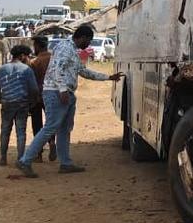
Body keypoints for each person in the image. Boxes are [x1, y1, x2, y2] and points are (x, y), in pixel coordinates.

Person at [15, 25, 123, 177]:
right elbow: (58, 68)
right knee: (51, 127)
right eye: (89, 41)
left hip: (64, 92)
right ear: (83, 37)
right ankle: (25, 160)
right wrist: (62, 89)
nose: (89, 44)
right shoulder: (66, 48)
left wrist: (108, 77)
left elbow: (83, 71)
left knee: (64, 129)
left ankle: (65, 163)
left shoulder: (71, 51)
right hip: (57, 92)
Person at [0, 45, 40, 166]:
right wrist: (32, 102)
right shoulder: (26, 69)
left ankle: (3, 158)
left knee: (5, 131)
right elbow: (34, 89)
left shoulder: (1, 69)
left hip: (7, 104)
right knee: (21, 132)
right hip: (22, 104)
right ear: (22, 56)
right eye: (27, 56)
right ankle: (20, 159)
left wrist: (0, 100)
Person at [27, 36, 56, 162]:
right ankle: (52, 142)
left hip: (38, 97)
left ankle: (38, 154)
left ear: (38, 46)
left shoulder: (35, 62)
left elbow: (31, 83)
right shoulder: (54, 59)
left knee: (37, 124)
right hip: (52, 95)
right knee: (50, 122)